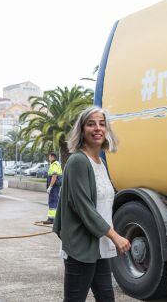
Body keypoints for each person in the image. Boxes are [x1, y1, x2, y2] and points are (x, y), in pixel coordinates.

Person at [53, 106, 131, 302]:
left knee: (106, 298)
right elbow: (84, 207)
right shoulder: (78, 161)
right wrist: (115, 236)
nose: (97, 128)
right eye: (91, 124)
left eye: (102, 124)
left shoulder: (99, 162)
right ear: (82, 130)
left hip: (99, 245)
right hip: (82, 247)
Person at [44, 152, 63, 225]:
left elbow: (54, 176)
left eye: (49, 157)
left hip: (54, 187)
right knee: (54, 201)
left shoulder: (55, 164)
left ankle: (52, 219)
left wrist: (50, 187)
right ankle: (53, 218)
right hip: (55, 186)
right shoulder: (55, 164)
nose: (48, 158)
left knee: (53, 201)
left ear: (52, 157)